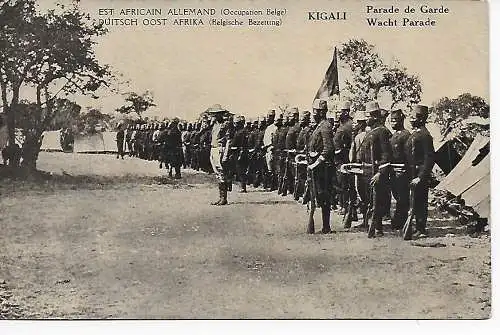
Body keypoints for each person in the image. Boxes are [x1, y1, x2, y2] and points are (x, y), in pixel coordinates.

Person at [357, 101, 393, 238]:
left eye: (368, 116)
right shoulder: (371, 131)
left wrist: (380, 173)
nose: (366, 119)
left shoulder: (382, 132)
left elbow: (386, 154)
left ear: (375, 116)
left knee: (376, 201)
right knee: (369, 200)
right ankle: (374, 225)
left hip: (375, 172)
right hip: (366, 170)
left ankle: (378, 228)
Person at [405, 104, 435, 238]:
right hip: (412, 172)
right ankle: (416, 226)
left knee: (421, 201)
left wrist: (421, 177)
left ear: (421, 119)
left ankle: (421, 228)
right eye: (410, 117)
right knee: (414, 201)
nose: (411, 120)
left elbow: (429, 158)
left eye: (413, 118)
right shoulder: (416, 133)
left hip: (419, 174)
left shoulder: (425, 135)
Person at [307, 99, 335, 234]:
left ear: (323, 112)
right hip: (318, 168)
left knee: (324, 196)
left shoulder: (325, 126)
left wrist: (316, 163)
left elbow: (328, 149)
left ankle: (326, 226)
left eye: (316, 111)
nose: (314, 114)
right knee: (319, 196)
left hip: (324, 168)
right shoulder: (319, 126)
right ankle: (325, 226)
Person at [389, 109, 411, 231]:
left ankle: (401, 221)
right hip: (394, 170)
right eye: (391, 120)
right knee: (397, 196)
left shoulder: (405, 135)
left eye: (395, 120)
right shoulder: (394, 135)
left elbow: (408, 155)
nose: (393, 123)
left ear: (401, 120)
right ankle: (398, 221)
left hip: (402, 171)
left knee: (403, 197)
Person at [209, 105, 233, 205]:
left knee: (222, 173)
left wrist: (226, 154)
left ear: (220, 114)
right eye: (213, 114)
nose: (214, 116)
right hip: (213, 149)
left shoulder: (225, 125)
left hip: (220, 149)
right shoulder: (214, 125)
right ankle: (221, 197)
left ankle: (224, 198)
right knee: (218, 174)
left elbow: (228, 140)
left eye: (216, 114)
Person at [333, 102, 353, 215]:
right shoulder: (340, 125)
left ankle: (347, 208)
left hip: (344, 159)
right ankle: (343, 205)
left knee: (345, 184)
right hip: (337, 159)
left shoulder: (349, 125)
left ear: (346, 112)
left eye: (340, 111)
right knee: (340, 184)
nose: (338, 114)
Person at [284, 108, 300, 196]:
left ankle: (297, 192)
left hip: (295, 154)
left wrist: (295, 151)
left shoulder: (298, 127)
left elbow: (298, 141)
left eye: (290, 116)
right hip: (289, 154)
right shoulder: (291, 127)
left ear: (295, 116)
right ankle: (291, 190)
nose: (289, 118)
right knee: (290, 174)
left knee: (296, 174)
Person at [262, 109, 277, 191]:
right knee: (268, 168)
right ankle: (269, 184)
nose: (268, 118)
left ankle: (273, 186)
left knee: (272, 168)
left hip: (272, 149)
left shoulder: (275, 128)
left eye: (270, 116)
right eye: (268, 116)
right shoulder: (268, 127)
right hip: (267, 149)